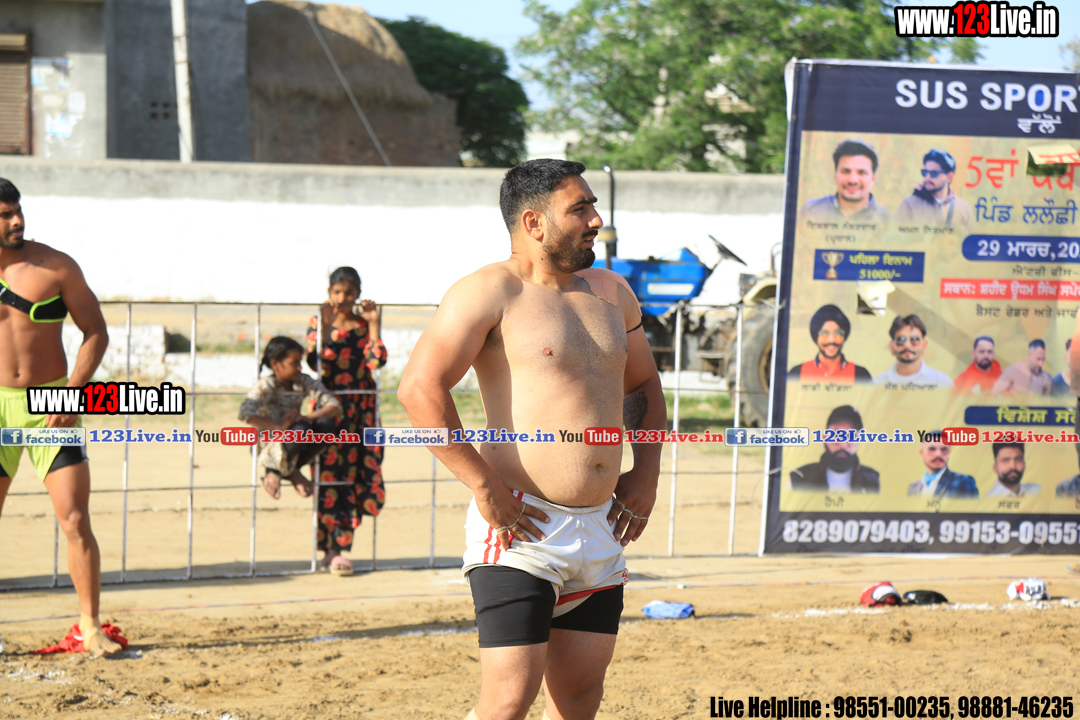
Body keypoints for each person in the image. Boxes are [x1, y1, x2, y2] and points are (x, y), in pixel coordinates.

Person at [397, 159, 666, 720]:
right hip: (521, 529)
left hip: (602, 528)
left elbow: (642, 383)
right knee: (507, 703)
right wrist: (484, 486)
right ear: (533, 222)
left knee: (578, 700)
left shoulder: (613, 291)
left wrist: (646, 473)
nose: (596, 221)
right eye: (580, 209)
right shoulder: (488, 291)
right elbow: (419, 390)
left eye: (593, 206)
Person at [0, 178, 121, 656]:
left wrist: (72, 395)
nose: (17, 221)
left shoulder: (56, 266)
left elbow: (96, 331)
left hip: (51, 406)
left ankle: (89, 627)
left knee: (74, 517)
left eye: (18, 211)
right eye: (5, 215)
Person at [305, 266, 388, 576]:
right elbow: (314, 362)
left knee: (355, 473)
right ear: (329, 293)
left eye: (349, 292)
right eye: (337, 292)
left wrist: (374, 324)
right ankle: (331, 549)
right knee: (328, 474)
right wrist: (325, 326)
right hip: (329, 410)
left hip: (360, 412)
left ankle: (338, 549)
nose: (342, 298)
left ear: (358, 294)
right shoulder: (318, 321)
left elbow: (376, 361)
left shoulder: (364, 325)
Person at [239, 337, 341, 502]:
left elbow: (334, 406)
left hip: (294, 439)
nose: (300, 367)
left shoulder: (302, 381)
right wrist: (279, 427)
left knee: (325, 424)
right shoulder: (267, 385)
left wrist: (307, 417)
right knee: (301, 428)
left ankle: (283, 471)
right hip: (267, 444)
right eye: (295, 363)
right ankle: (285, 471)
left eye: (300, 362)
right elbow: (245, 412)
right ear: (276, 364)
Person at [790, 405, 880, 493]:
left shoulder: (872, 481)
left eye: (851, 436)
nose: (843, 445)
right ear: (825, 438)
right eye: (837, 435)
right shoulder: (799, 478)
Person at [800, 139, 891, 222]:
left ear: (873, 179)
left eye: (861, 172)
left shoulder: (887, 222)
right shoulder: (811, 211)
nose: (853, 180)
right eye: (846, 171)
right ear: (836, 176)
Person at [786, 304, 871, 383]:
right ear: (816, 337)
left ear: (844, 337)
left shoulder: (860, 374)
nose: (831, 340)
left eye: (837, 333)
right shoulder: (797, 373)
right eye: (825, 333)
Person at [895, 149, 974, 227]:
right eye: (925, 172)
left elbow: (972, 234)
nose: (927, 177)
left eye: (934, 173)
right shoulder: (909, 205)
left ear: (949, 177)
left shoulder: (963, 208)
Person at [874, 314, 952, 388]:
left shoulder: (943, 382)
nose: (907, 345)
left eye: (914, 340)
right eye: (901, 340)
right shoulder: (875, 384)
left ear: (924, 346)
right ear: (891, 346)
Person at [906, 434, 978, 498]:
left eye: (943, 449)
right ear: (922, 453)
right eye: (932, 449)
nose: (938, 454)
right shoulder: (913, 487)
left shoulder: (963, 482)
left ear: (949, 453)